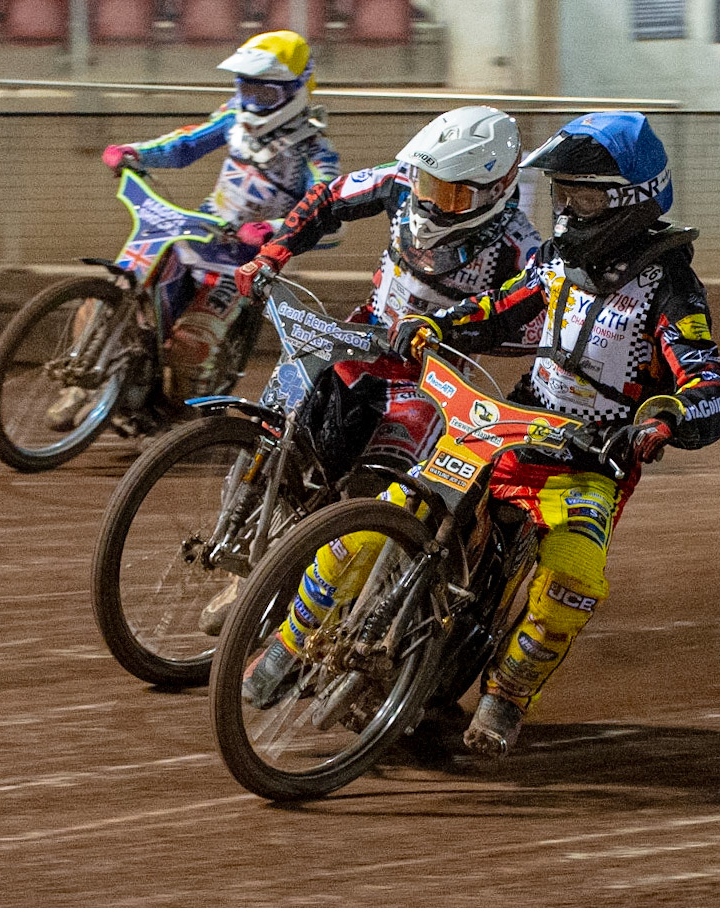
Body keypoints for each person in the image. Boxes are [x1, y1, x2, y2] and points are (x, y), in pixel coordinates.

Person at [241, 112, 720, 758]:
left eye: (583, 198)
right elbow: (499, 308)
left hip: (592, 456)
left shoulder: (670, 288)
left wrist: (666, 419)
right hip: (512, 421)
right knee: (389, 509)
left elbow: (707, 384)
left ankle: (506, 696)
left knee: (572, 580)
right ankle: (288, 643)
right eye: (562, 194)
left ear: (629, 203)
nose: (567, 210)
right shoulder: (555, 261)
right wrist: (438, 326)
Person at [194, 104, 542, 636]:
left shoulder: (521, 245)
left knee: (374, 492)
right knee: (272, 433)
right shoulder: (400, 182)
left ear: (496, 188)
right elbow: (328, 197)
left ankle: (341, 609)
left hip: (427, 380)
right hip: (354, 341)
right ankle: (249, 575)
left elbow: (541, 321)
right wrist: (273, 253)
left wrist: (464, 332)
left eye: (451, 194)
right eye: (427, 182)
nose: (430, 200)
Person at [94, 30, 341, 408]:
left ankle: (185, 416)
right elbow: (185, 144)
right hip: (198, 232)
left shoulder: (315, 150)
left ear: (296, 90)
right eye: (246, 89)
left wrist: (274, 229)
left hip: (245, 260)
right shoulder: (233, 117)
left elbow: (331, 217)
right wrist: (136, 153)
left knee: (190, 344)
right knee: (108, 303)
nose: (252, 101)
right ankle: (82, 387)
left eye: (264, 94)